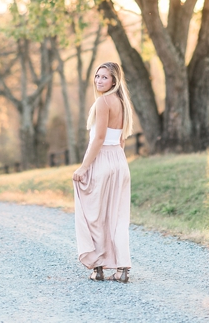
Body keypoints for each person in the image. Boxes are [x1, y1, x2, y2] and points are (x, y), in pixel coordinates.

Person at [72, 61, 133, 283]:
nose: (99, 80)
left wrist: (84, 167)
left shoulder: (103, 102)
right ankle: (122, 268)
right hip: (119, 161)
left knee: (95, 216)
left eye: (104, 77)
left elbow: (98, 139)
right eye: (97, 76)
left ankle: (98, 268)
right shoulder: (123, 103)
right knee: (117, 217)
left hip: (103, 160)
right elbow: (121, 140)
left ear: (114, 80)